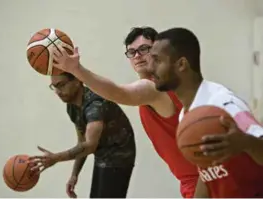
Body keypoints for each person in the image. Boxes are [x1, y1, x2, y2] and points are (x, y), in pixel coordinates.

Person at [51, 27, 200, 198]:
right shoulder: (164, 84)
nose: (137, 55)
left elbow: (118, 93)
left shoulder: (152, 87)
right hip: (198, 178)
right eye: (131, 52)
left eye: (144, 49)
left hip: (202, 181)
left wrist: (77, 70)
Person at [149, 27, 263, 198]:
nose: (150, 67)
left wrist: (245, 142)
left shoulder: (223, 103)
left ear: (181, 64)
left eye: (157, 60)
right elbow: (206, 172)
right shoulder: (188, 116)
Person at [29, 72, 136, 198]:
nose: (58, 91)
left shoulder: (95, 105)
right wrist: (74, 174)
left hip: (120, 156)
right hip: (102, 154)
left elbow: (90, 145)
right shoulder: (72, 106)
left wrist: (56, 158)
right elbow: (82, 142)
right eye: (54, 87)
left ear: (77, 80)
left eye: (61, 85)